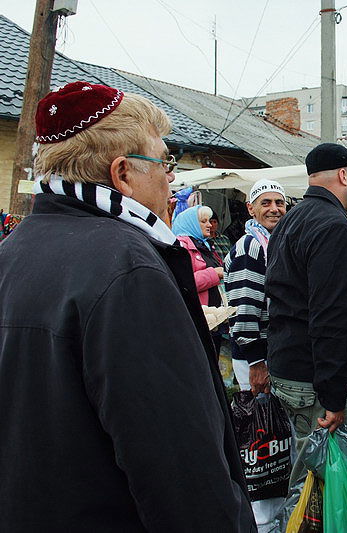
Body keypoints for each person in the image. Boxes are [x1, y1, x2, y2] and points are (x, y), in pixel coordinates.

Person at [0, 81, 254, 530]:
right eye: (164, 162)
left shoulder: (12, 250)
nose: (171, 178)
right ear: (123, 174)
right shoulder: (129, 268)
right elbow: (180, 470)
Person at [265, 142, 347, 490]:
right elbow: (330, 317)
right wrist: (334, 397)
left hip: (291, 367)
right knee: (323, 486)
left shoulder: (292, 218)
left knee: (309, 475)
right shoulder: (332, 225)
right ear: (343, 175)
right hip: (314, 379)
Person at [224, 179, 287, 395]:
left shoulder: (274, 243)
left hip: (273, 352)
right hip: (257, 357)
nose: (274, 209)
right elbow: (244, 308)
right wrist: (256, 362)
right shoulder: (251, 246)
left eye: (280, 203)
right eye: (266, 203)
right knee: (261, 423)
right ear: (250, 208)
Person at [173, 205, 225, 307]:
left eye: (209, 221)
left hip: (215, 312)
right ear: (191, 224)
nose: (209, 225)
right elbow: (184, 283)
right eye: (203, 221)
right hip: (199, 313)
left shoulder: (205, 245)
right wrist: (215, 273)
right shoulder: (181, 246)